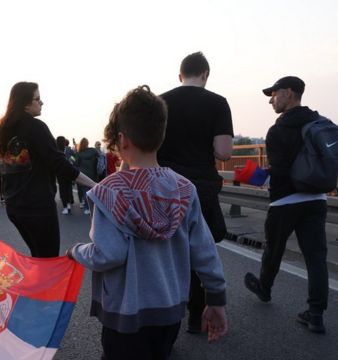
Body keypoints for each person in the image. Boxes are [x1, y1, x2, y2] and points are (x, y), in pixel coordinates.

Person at [68, 85, 228, 359]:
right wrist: (216, 299)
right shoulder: (184, 189)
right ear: (161, 136)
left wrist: (76, 251)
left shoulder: (108, 193)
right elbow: (204, 251)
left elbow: (109, 254)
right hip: (169, 312)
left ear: (122, 140)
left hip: (125, 317)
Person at [241, 76, 329, 334]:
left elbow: (279, 171)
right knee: (316, 258)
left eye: (274, 93)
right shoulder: (318, 123)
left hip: (285, 201)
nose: (271, 99)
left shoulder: (278, 130)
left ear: (289, 93)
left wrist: (254, 175)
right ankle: (315, 315)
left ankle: (264, 288)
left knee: (274, 249)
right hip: (316, 199)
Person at [156, 51, 233, 333]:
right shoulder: (217, 103)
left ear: (180, 75)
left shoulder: (160, 102)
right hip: (201, 186)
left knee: (167, 251)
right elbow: (224, 152)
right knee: (201, 249)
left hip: (164, 186)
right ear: (205, 75)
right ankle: (197, 314)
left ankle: (166, 317)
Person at [0, 82, 96, 258]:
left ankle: (36, 285)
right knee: (48, 259)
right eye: (38, 99)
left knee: (38, 257)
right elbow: (59, 163)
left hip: (14, 207)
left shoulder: (4, 132)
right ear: (25, 103)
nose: (42, 103)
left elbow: (2, 168)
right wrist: (94, 184)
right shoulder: (35, 127)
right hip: (37, 206)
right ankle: (41, 286)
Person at [75, 138, 98, 215]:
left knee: (85, 191)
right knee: (93, 191)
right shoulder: (94, 151)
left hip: (83, 175)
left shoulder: (79, 154)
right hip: (93, 174)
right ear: (88, 143)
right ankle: (95, 207)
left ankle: (88, 208)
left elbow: (76, 164)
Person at [56, 136, 74, 215]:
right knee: (68, 187)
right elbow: (75, 157)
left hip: (60, 172)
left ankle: (65, 207)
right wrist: (70, 162)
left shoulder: (56, 150)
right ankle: (69, 204)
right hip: (68, 171)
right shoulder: (69, 149)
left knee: (63, 188)